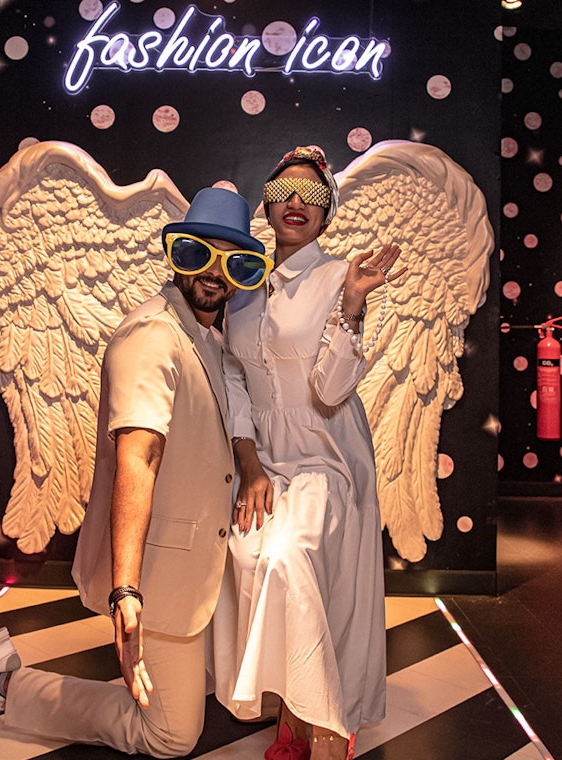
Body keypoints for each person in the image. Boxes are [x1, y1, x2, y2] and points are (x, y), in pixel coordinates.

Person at [0, 187, 273, 758]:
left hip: (201, 560)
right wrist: (127, 589)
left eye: (234, 262)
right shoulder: (153, 338)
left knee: (212, 691)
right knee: (171, 736)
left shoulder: (204, 338)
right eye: (201, 255)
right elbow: (137, 459)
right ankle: (4, 682)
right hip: (161, 568)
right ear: (177, 255)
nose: (216, 274)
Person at [212, 146, 406, 760]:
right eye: (284, 194)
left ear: (327, 214)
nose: (298, 204)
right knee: (250, 556)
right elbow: (234, 379)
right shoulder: (243, 288)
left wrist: (351, 305)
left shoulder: (337, 278)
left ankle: (324, 722)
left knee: (293, 560)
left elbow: (329, 391)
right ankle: (293, 710)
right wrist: (249, 466)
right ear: (266, 206)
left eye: (314, 197)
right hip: (265, 461)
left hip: (328, 456)